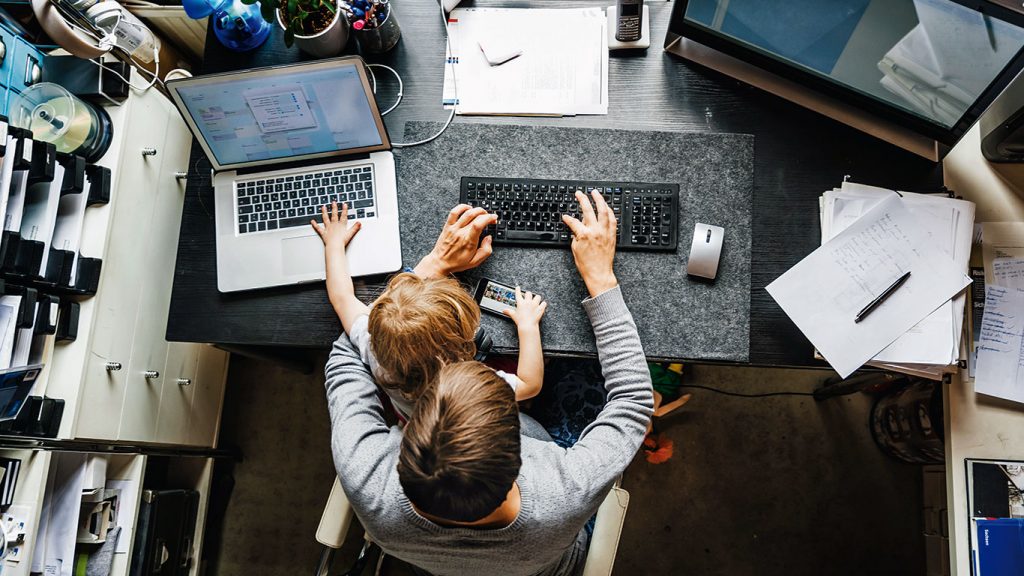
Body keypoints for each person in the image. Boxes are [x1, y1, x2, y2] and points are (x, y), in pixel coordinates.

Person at [323, 190, 654, 576]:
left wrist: (430, 270)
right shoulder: (563, 490)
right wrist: (600, 277)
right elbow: (632, 402)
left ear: (407, 431)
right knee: (583, 377)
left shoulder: (363, 475)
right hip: (551, 562)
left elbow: (347, 352)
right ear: (520, 453)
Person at [311, 202, 548, 419]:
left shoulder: (372, 343)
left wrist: (333, 245)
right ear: (463, 346)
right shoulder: (468, 386)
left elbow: (342, 297)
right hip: (462, 416)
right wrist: (528, 327)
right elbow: (530, 384)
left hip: (413, 416)